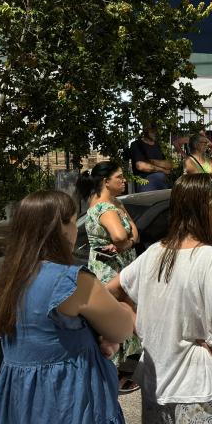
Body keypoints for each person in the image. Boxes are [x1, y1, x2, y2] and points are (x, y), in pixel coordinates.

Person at [0, 190, 134, 424]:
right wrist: (125, 307)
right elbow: (123, 327)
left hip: (22, 404)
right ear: (62, 228)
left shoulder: (7, 280)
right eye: (71, 221)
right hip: (68, 401)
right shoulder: (70, 281)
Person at [108, 174, 212, 424]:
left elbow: (112, 290)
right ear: (206, 207)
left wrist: (140, 326)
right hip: (201, 386)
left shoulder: (153, 253)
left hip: (157, 381)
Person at [76, 162, 142, 391]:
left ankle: (112, 374)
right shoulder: (106, 208)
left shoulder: (110, 204)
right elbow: (121, 236)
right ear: (106, 181)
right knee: (116, 321)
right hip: (112, 270)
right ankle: (111, 377)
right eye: (119, 177)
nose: (124, 180)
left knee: (115, 320)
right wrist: (126, 242)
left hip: (108, 265)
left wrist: (128, 240)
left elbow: (135, 233)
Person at [130, 124, 173, 192]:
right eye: (152, 131)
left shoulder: (157, 145)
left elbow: (169, 165)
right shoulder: (137, 144)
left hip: (163, 186)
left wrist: (151, 161)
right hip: (146, 185)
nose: (155, 133)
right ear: (145, 131)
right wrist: (162, 170)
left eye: (156, 130)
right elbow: (140, 166)